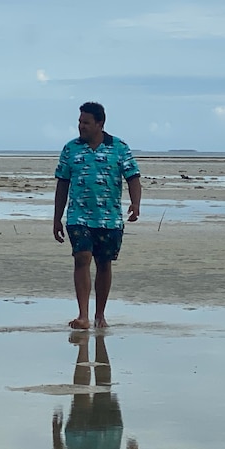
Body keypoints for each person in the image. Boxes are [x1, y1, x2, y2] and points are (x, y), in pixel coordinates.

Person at [54, 102, 142, 329]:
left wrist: (135, 204)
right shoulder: (70, 149)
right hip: (78, 216)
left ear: (100, 124)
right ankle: (83, 316)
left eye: (86, 122)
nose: (81, 126)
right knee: (82, 257)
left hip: (109, 218)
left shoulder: (119, 147)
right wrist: (57, 218)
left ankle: (99, 315)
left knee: (104, 263)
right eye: (79, 122)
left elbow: (133, 177)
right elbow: (62, 184)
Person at [52, 331, 140, 449]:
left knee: (102, 386)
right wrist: (56, 435)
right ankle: (88, 343)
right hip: (85, 436)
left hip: (106, 435)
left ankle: (94, 341)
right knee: (84, 391)